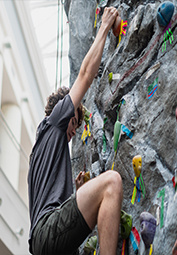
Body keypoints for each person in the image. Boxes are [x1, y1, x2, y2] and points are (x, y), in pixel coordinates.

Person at [28, 7, 123, 255]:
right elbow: (85, 75)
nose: (73, 133)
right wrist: (104, 26)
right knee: (112, 182)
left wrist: (78, 195)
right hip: (46, 232)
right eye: (74, 123)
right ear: (64, 114)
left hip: (45, 241)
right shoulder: (56, 120)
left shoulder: (40, 149)